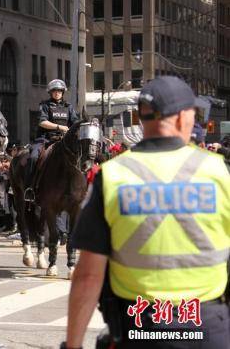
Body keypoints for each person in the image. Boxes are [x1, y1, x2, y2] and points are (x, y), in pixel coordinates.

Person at [64, 76, 230, 349]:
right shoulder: (219, 172)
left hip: (140, 327)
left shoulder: (113, 176)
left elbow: (88, 275)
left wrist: (72, 345)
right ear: (180, 118)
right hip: (207, 327)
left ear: (142, 118)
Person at [25, 79, 79, 201]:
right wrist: (59, 127)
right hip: (45, 139)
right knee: (33, 157)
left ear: (63, 92)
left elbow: (75, 123)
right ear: (50, 92)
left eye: (59, 91)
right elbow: (42, 122)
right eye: (54, 91)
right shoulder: (45, 106)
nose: (57, 93)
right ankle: (29, 188)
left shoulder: (68, 107)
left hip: (64, 141)